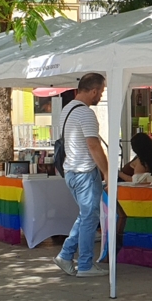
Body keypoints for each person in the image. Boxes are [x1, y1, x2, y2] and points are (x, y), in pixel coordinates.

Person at [53, 73, 109, 278]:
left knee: (86, 216)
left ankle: (66, 255)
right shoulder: (85, 114)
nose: (101, 96)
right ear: (93, 91)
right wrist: (107, 172)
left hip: (70, 171)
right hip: (85, 172)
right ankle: (85, 264)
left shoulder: (67, 109)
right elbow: (93, 145)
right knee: (89, 218)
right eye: (101, 92)